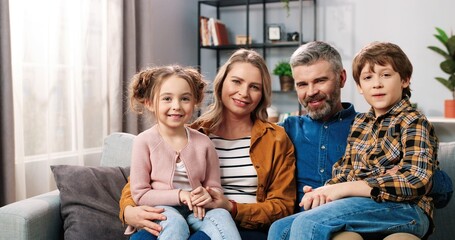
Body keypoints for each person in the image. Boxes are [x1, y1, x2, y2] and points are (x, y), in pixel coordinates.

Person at [119, 49, 297, 240]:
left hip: (240, 223)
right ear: (221, 84)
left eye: (255, 87)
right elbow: (138, 185)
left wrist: (230, 206)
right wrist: (128, 211)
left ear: (263, 94)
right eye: (236, 81)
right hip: (180, 212)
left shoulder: (275, 139)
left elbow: (282, 207)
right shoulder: (195, 131)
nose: (244, 93)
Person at [269, 41, 439, 239]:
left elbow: (417, 179)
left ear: (405, 79)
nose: (377, 83)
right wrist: (323, 191)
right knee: (279, 229)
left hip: (404, 209)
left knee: (309, 223)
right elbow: (346, 172)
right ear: (359, 85)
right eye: (368, 77)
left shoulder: (413, 121)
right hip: (359, 208)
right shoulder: (361, 124)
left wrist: (344, 188)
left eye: (385, 75)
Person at [126, 65, 241, 240]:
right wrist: (179, 195)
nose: (176, 106)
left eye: (185, 99)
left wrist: (207, 195)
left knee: (222, 217)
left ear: (195, 102)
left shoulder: (204, 143)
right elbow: (140, 194)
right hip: (163, 208)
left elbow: (214, 186)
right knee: (174, 224)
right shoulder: (143, 142)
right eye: (167, 99)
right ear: (149, 103)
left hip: (199, 210)